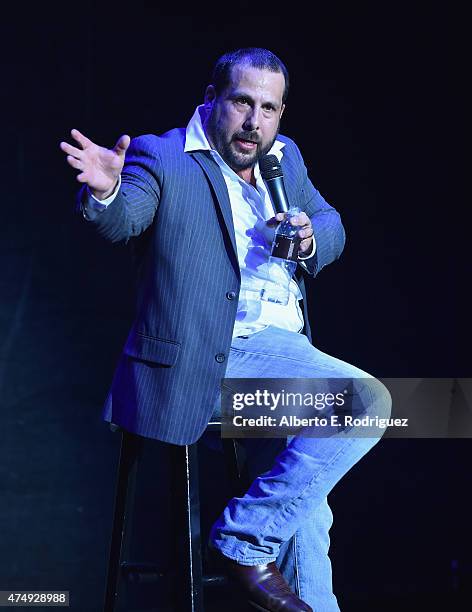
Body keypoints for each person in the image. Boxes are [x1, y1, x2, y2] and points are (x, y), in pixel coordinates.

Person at [61, 48, 391, 612]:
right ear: (212, 98)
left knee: (306, 497)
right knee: (364, 400)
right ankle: (242, 541)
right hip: (206, 359)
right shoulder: (163, 155)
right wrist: (106, 191)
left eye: (268, 108)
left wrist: (309, 235)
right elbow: (125, 218)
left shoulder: (284, 158)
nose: (253, 121)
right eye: (242, 102)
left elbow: (331, 221)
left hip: (283, 357)